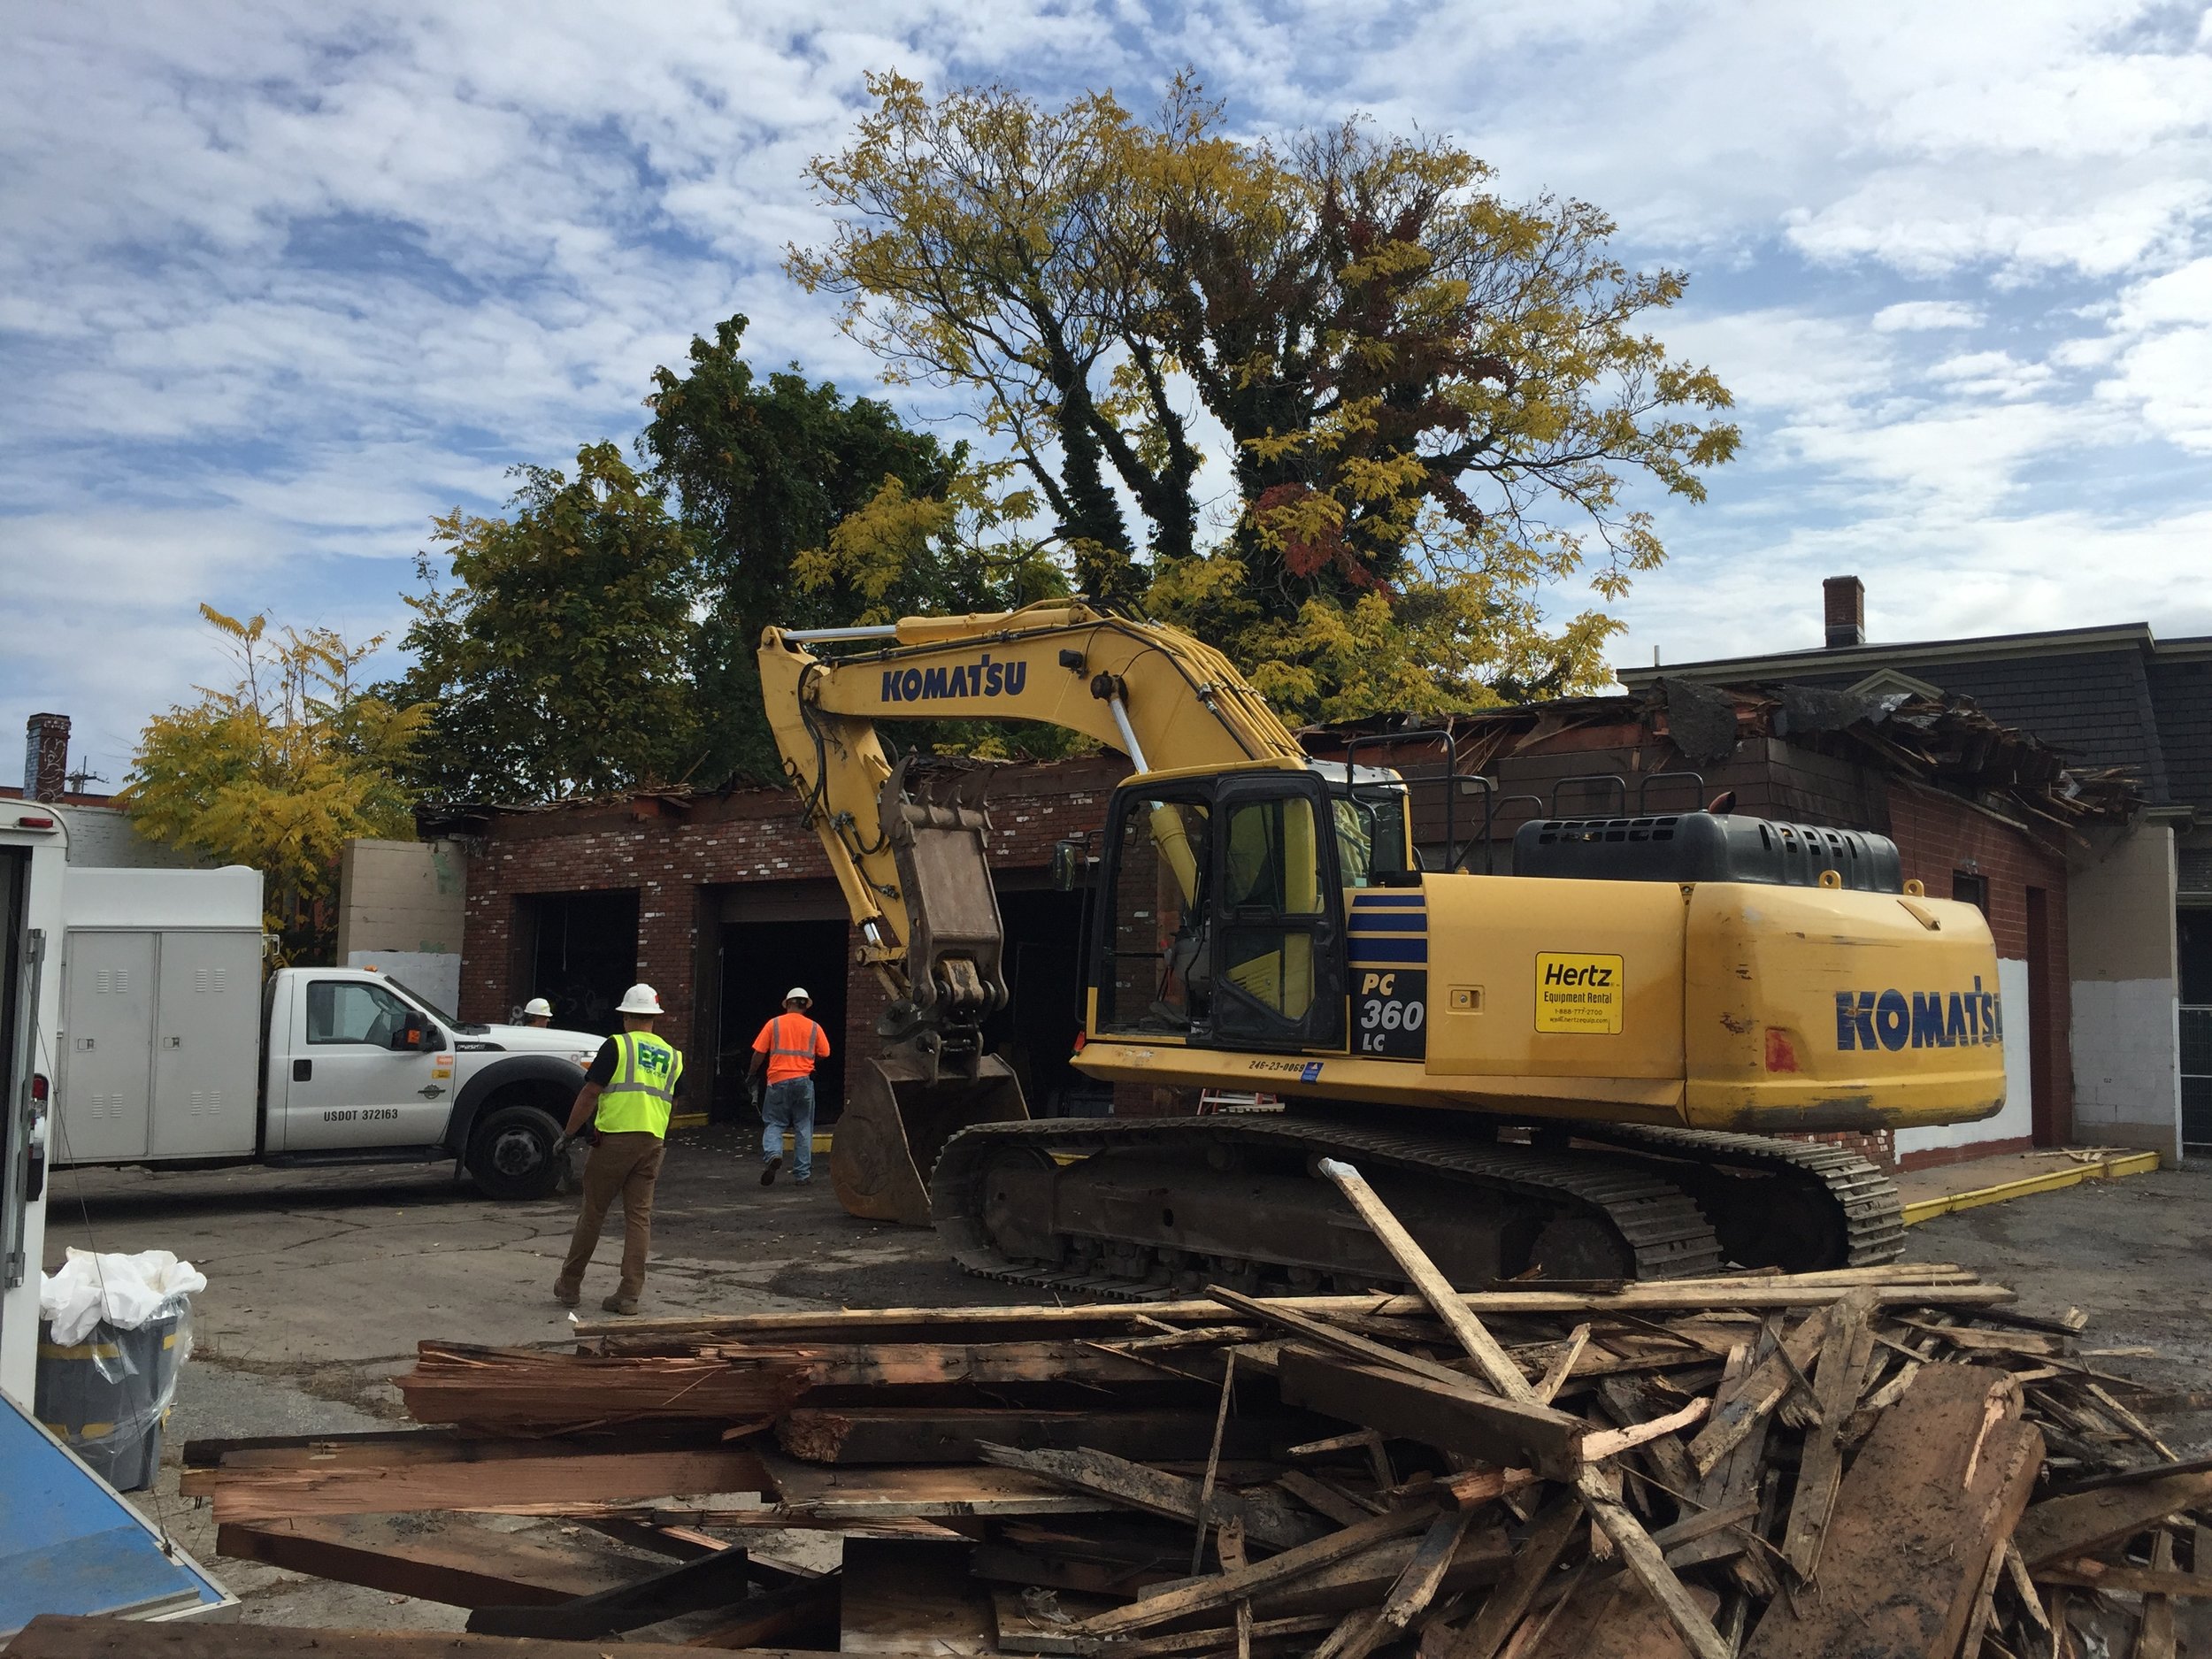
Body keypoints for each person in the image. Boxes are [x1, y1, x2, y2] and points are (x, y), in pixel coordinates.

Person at [553, 983, 682, 1315]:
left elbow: (590, 1093)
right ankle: (628, 1295)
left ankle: (569, 1285)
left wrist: (568, 1134)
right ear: (654, 1018)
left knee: (593, 1212)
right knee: (639, 1218)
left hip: (615, 1140)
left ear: (626, 1015)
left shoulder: (617, 1046)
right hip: (653, 1140)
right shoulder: (672, 1055)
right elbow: (672, 1100)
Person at [749, 987, 830, 1187]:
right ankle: (802, 1176)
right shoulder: (814, 1027)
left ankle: (774, 1155)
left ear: (788, 1003)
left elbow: (759, 1053)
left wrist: (752, 1073)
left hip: (777, 1081)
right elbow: (825, 1053)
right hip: (804, 1082)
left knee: (774, 1123)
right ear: (805, 1005)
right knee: (803, 1126)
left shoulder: (773, 1024)